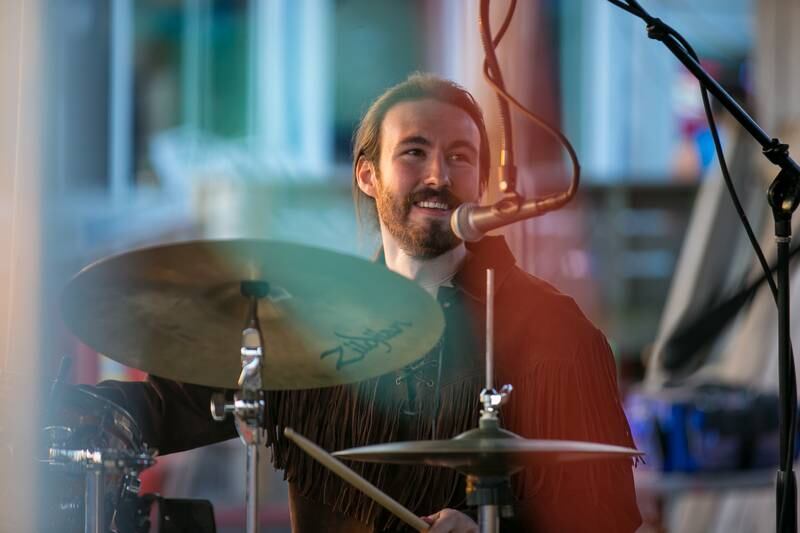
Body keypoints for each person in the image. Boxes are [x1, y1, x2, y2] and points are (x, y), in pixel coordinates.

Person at [91, 73, 641, 532]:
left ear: (483, 182)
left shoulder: (553, 331)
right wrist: (54, 413)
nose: (438, 176)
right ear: (367, 175)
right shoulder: (310, 321)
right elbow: (170, 406)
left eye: (460, 157)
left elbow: (609, 516)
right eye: (414, 152)